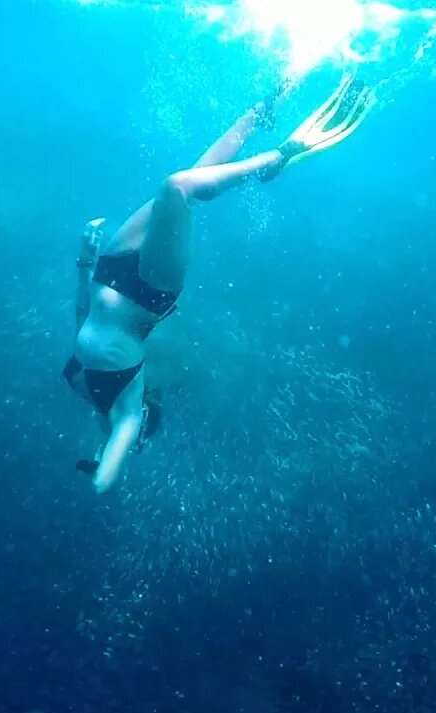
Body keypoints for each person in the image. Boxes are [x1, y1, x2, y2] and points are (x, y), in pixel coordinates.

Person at [65, 73, 376, 494]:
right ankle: (277, 157)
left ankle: (261, 111)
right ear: (141, 428)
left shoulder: (88, 395)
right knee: (177, 188)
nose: (131, 440)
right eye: (137, 441)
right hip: (147, 292)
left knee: (195, 175)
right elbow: (105, 479)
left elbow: (83, 316)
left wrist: (84, 262)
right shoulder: (128, 410)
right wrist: (107, 466)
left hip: (109, 267)